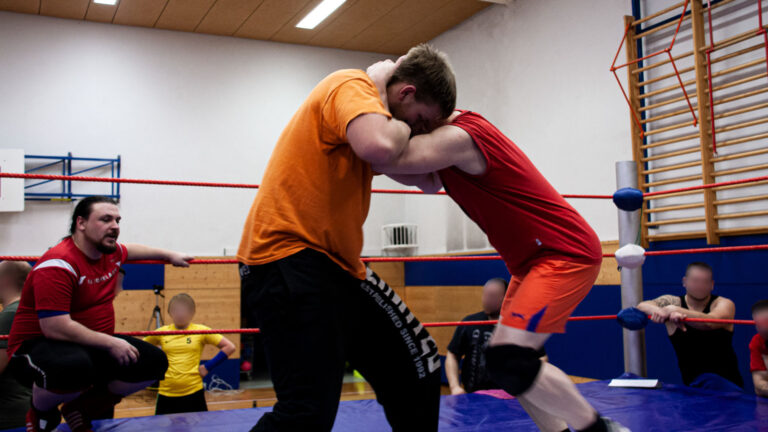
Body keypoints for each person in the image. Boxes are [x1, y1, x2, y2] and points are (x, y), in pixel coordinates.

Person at [367, 59, 628, 432]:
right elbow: (425, 182)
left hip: (562, 253)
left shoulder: (457, 137)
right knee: (512, 366)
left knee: (509, 358)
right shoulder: (448, 134)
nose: (419, 126)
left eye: (424, 120)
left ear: (408, 93)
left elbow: (385, 153)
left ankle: (598, 430)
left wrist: (373, 88)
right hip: (532, 261)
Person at [237, 44, 456, 432]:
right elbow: (381, 145)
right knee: (307, 411)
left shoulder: (374, 120)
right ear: (405, 93)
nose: (418, 131)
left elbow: (425, 180)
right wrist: (392, 111)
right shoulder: (351, 83)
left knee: (419, 364)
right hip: (288, 257)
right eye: (420, 120)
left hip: (340, 268)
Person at [6, 196, 193, 432]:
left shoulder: (109, 252)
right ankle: (41, 411)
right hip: (37, 347)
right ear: (81, 223)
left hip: (87, 344)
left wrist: (168, 254)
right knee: (76, 368)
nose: (115, 226)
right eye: (105, 219)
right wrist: (110, 342)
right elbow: (54, 326)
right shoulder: (58, 263)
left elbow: (131, 250)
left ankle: (83, 408)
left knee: (154, 362)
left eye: (117, 220)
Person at [636, 262, 743, 390]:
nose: (700, 286)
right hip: (693, 388)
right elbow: (642, 306)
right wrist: (660, 312)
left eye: (705, 282)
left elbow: (710, 322)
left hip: (728, 386)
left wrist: (675, 310)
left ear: (712, 285)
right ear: (685, 282)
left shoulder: (723, 303)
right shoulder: (673, 302)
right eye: (695, 281)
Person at [145, 293, 236, 415]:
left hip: (193, 392)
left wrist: (207, 367)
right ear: (170, 312)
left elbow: (229, 347)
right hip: (166, 393)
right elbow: (140, 349)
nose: (180, 314)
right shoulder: (161, 332)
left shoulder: (200, 330)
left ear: (192, 312)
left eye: (184, 310)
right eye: (176, 310)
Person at [0, 261, 33, 430]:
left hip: (10, 414)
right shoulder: (29, 309)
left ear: (5, 280)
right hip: (26, 407)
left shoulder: (10, 314)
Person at [749, 299, 768, 397]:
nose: (764, 328)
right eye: (759, 324)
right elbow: (759, 386)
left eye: (767, 322)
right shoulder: (757, 341)